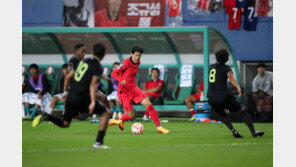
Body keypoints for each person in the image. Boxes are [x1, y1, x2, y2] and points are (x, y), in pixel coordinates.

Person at [33, 43, 112, 149]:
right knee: (106, 113)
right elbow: (93, 85)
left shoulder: (84, 61)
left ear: (92, 52)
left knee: (65, 123)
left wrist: (66, 92)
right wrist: (93, 101)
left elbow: (69, 76)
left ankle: (47, 116)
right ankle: (98, 142)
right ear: (104, 55)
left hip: (71, 95)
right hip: (82, 95)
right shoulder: (96, 65)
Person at [109, 45, 170, 134]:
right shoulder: (126, 63)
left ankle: (159, 127)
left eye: (139, 55)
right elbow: (113, 73)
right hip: (124, 91)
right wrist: (120, 80)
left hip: (134, 88)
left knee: (149, 105)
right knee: (131, 115)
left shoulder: (138, 62)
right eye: (136, 55)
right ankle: (120, 119)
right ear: (131, 54)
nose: (137, 58)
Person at [207, 49, 264, 138]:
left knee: (221, 114)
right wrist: (237, 87)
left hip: (211, 98)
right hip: (223, 96)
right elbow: (231, 78)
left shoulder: (211, 67)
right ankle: (253, 132)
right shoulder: (226, 68)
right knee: (242, 110)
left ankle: (233, 131)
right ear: (226, 59)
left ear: (216, 58)